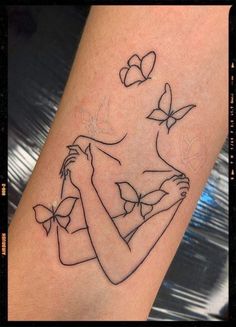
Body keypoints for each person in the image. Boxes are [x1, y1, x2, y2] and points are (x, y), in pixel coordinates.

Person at [9, 5, 229, 321]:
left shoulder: (161, 180)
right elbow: (77, 259)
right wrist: (146, 212)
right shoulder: (90, 153)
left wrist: (90, 187)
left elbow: (106, 272)